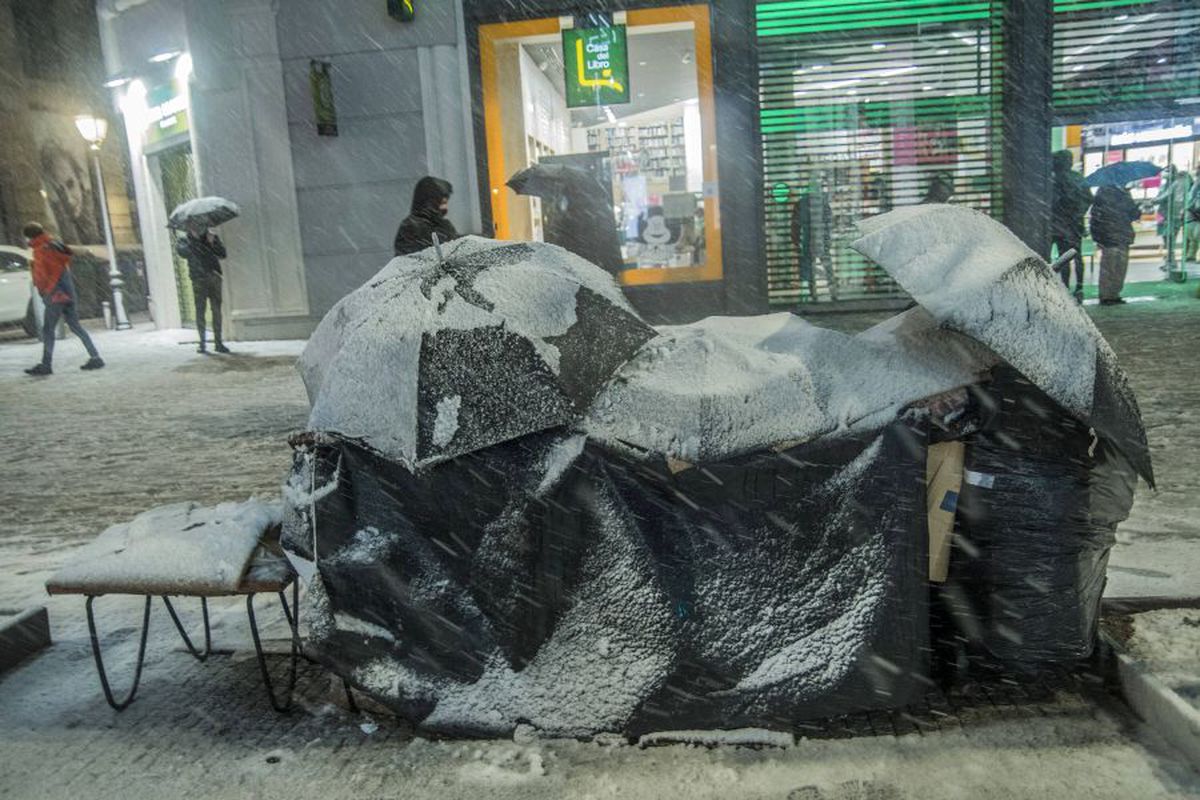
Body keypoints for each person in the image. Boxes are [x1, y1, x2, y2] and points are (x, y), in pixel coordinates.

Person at [22, 222, 104, 375]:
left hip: (55, 294)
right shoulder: (54, 245)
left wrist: (44, 291)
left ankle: (46, 365)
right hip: (68, 292)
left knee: (48, 330)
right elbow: (62, 267)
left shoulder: (41, 250)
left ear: (29, 237)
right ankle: (95, 356)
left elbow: (43, 275)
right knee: (75, 326)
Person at [177, 222, 229, 354]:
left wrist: (212, 243)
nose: (197, 227)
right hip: (198, 278)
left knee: (216, 310)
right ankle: (202, 343)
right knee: (200, 311)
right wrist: (196, 241)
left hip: (214, 276)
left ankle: (218, 342)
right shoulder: (185, 240)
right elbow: (183, 253)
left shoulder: (211, 237)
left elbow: (222, 254)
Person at [1050, 150, 1092, 300]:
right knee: (1077, 256)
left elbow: (1051, 202)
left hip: (1058, 225)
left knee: (1064, 257)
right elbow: (1089, 199)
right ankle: (1079, 287)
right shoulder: (1078, 179)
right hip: (1074, 224)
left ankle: (1065, 287)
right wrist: (1078, 213)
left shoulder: (1053, 180)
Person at [1089, 184, 1140, 305]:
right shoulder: (1122, 195)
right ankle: (1111, 294)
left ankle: (1108, 294)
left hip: (1111, 237)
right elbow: (1133, 214)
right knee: (1117, 267)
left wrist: (1097, 236)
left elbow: (1095, 217)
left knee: (1111, 267)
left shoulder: (1102, 195)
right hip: (1117, 236)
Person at [393, 176, 458, 256]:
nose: (445, 208)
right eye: (442, 203)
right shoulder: (411, 227)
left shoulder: (446, 226)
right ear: (431, 202)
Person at [1155, 165, 1192, 261]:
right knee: (1165, 235)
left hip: (1172, 213)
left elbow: (1168, 196)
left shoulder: (1177, 183)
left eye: (1167, 171)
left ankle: (1171, 257)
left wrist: (1154, 201)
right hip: (1163, 213)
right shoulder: (1165, 183)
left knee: (1170, 236)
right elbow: (1161, 195)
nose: (1164, 174)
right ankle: (1170, 256)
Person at [1184, 165, 1200, 264]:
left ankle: (1192, 255)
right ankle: (1191, 254)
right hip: (1193, 211)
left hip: (1195, 210)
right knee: (1192, 235)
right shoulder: (1195, 181)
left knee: (1197, 235)